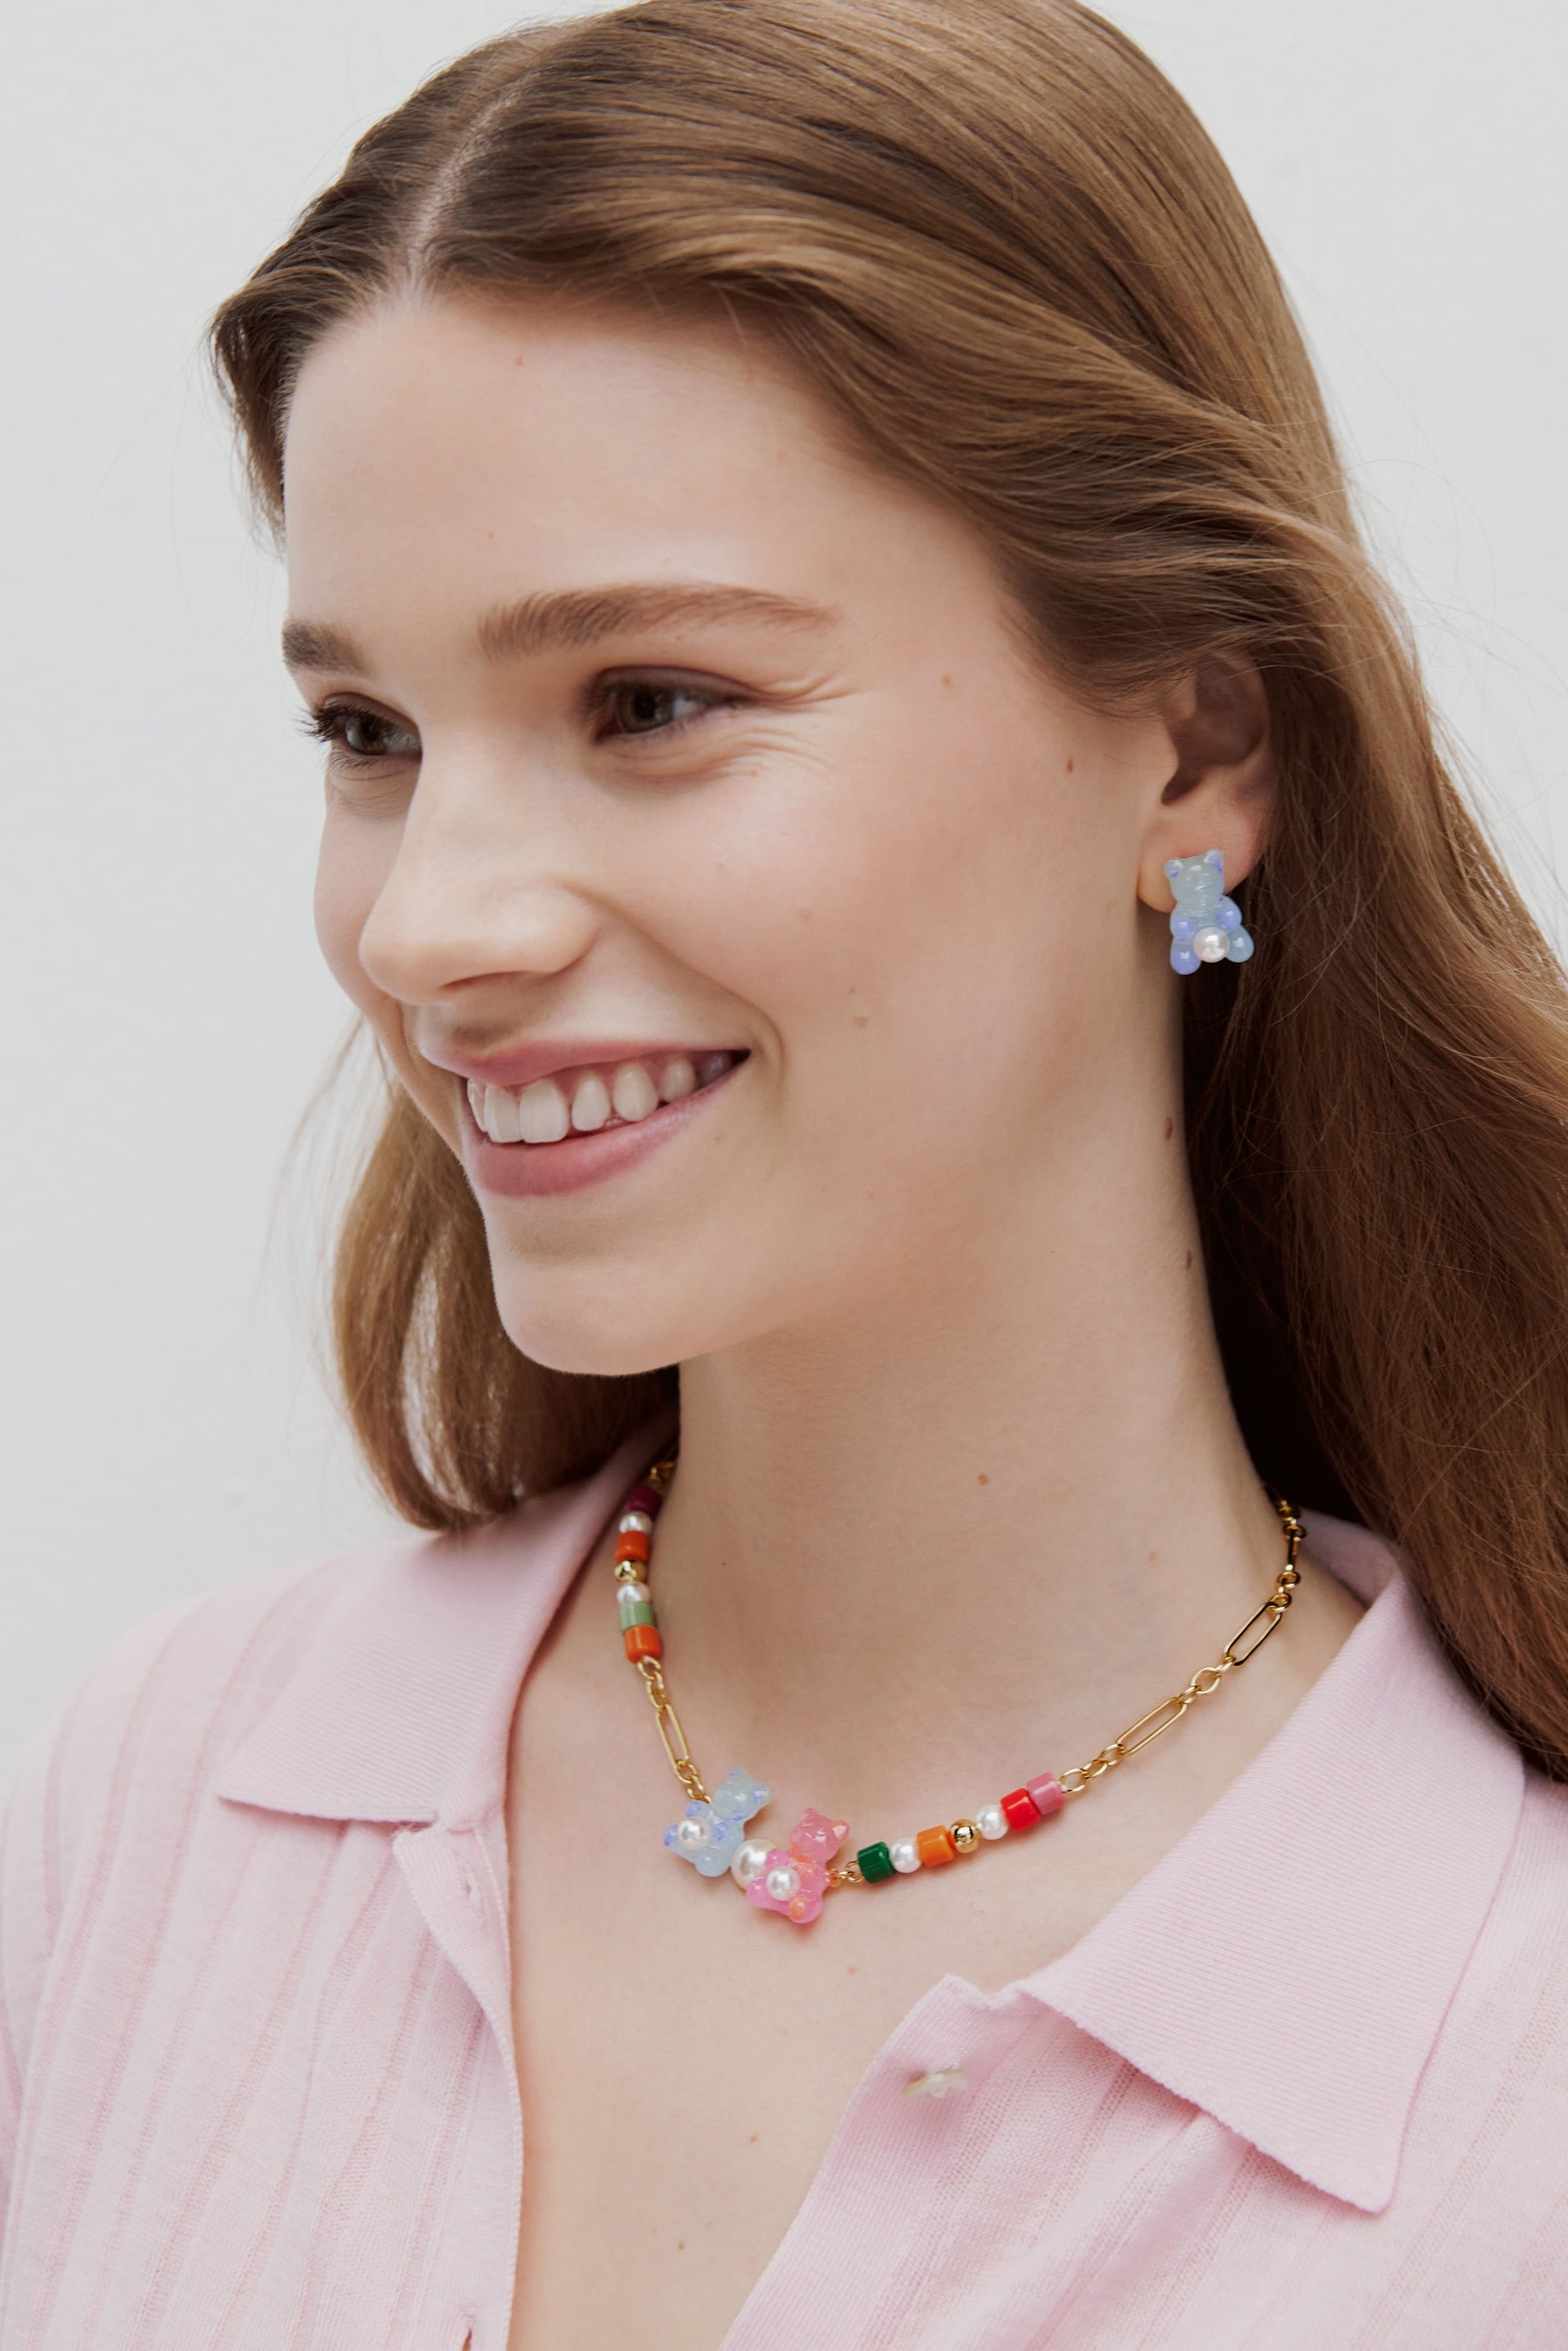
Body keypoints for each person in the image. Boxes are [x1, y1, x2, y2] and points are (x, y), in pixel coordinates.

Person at [5, 1, 1568, 2343]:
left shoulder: (1515, 2075)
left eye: (652, 702)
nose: (427, 927)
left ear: (1192, 750)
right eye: (368, 731)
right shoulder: (173, 1795)